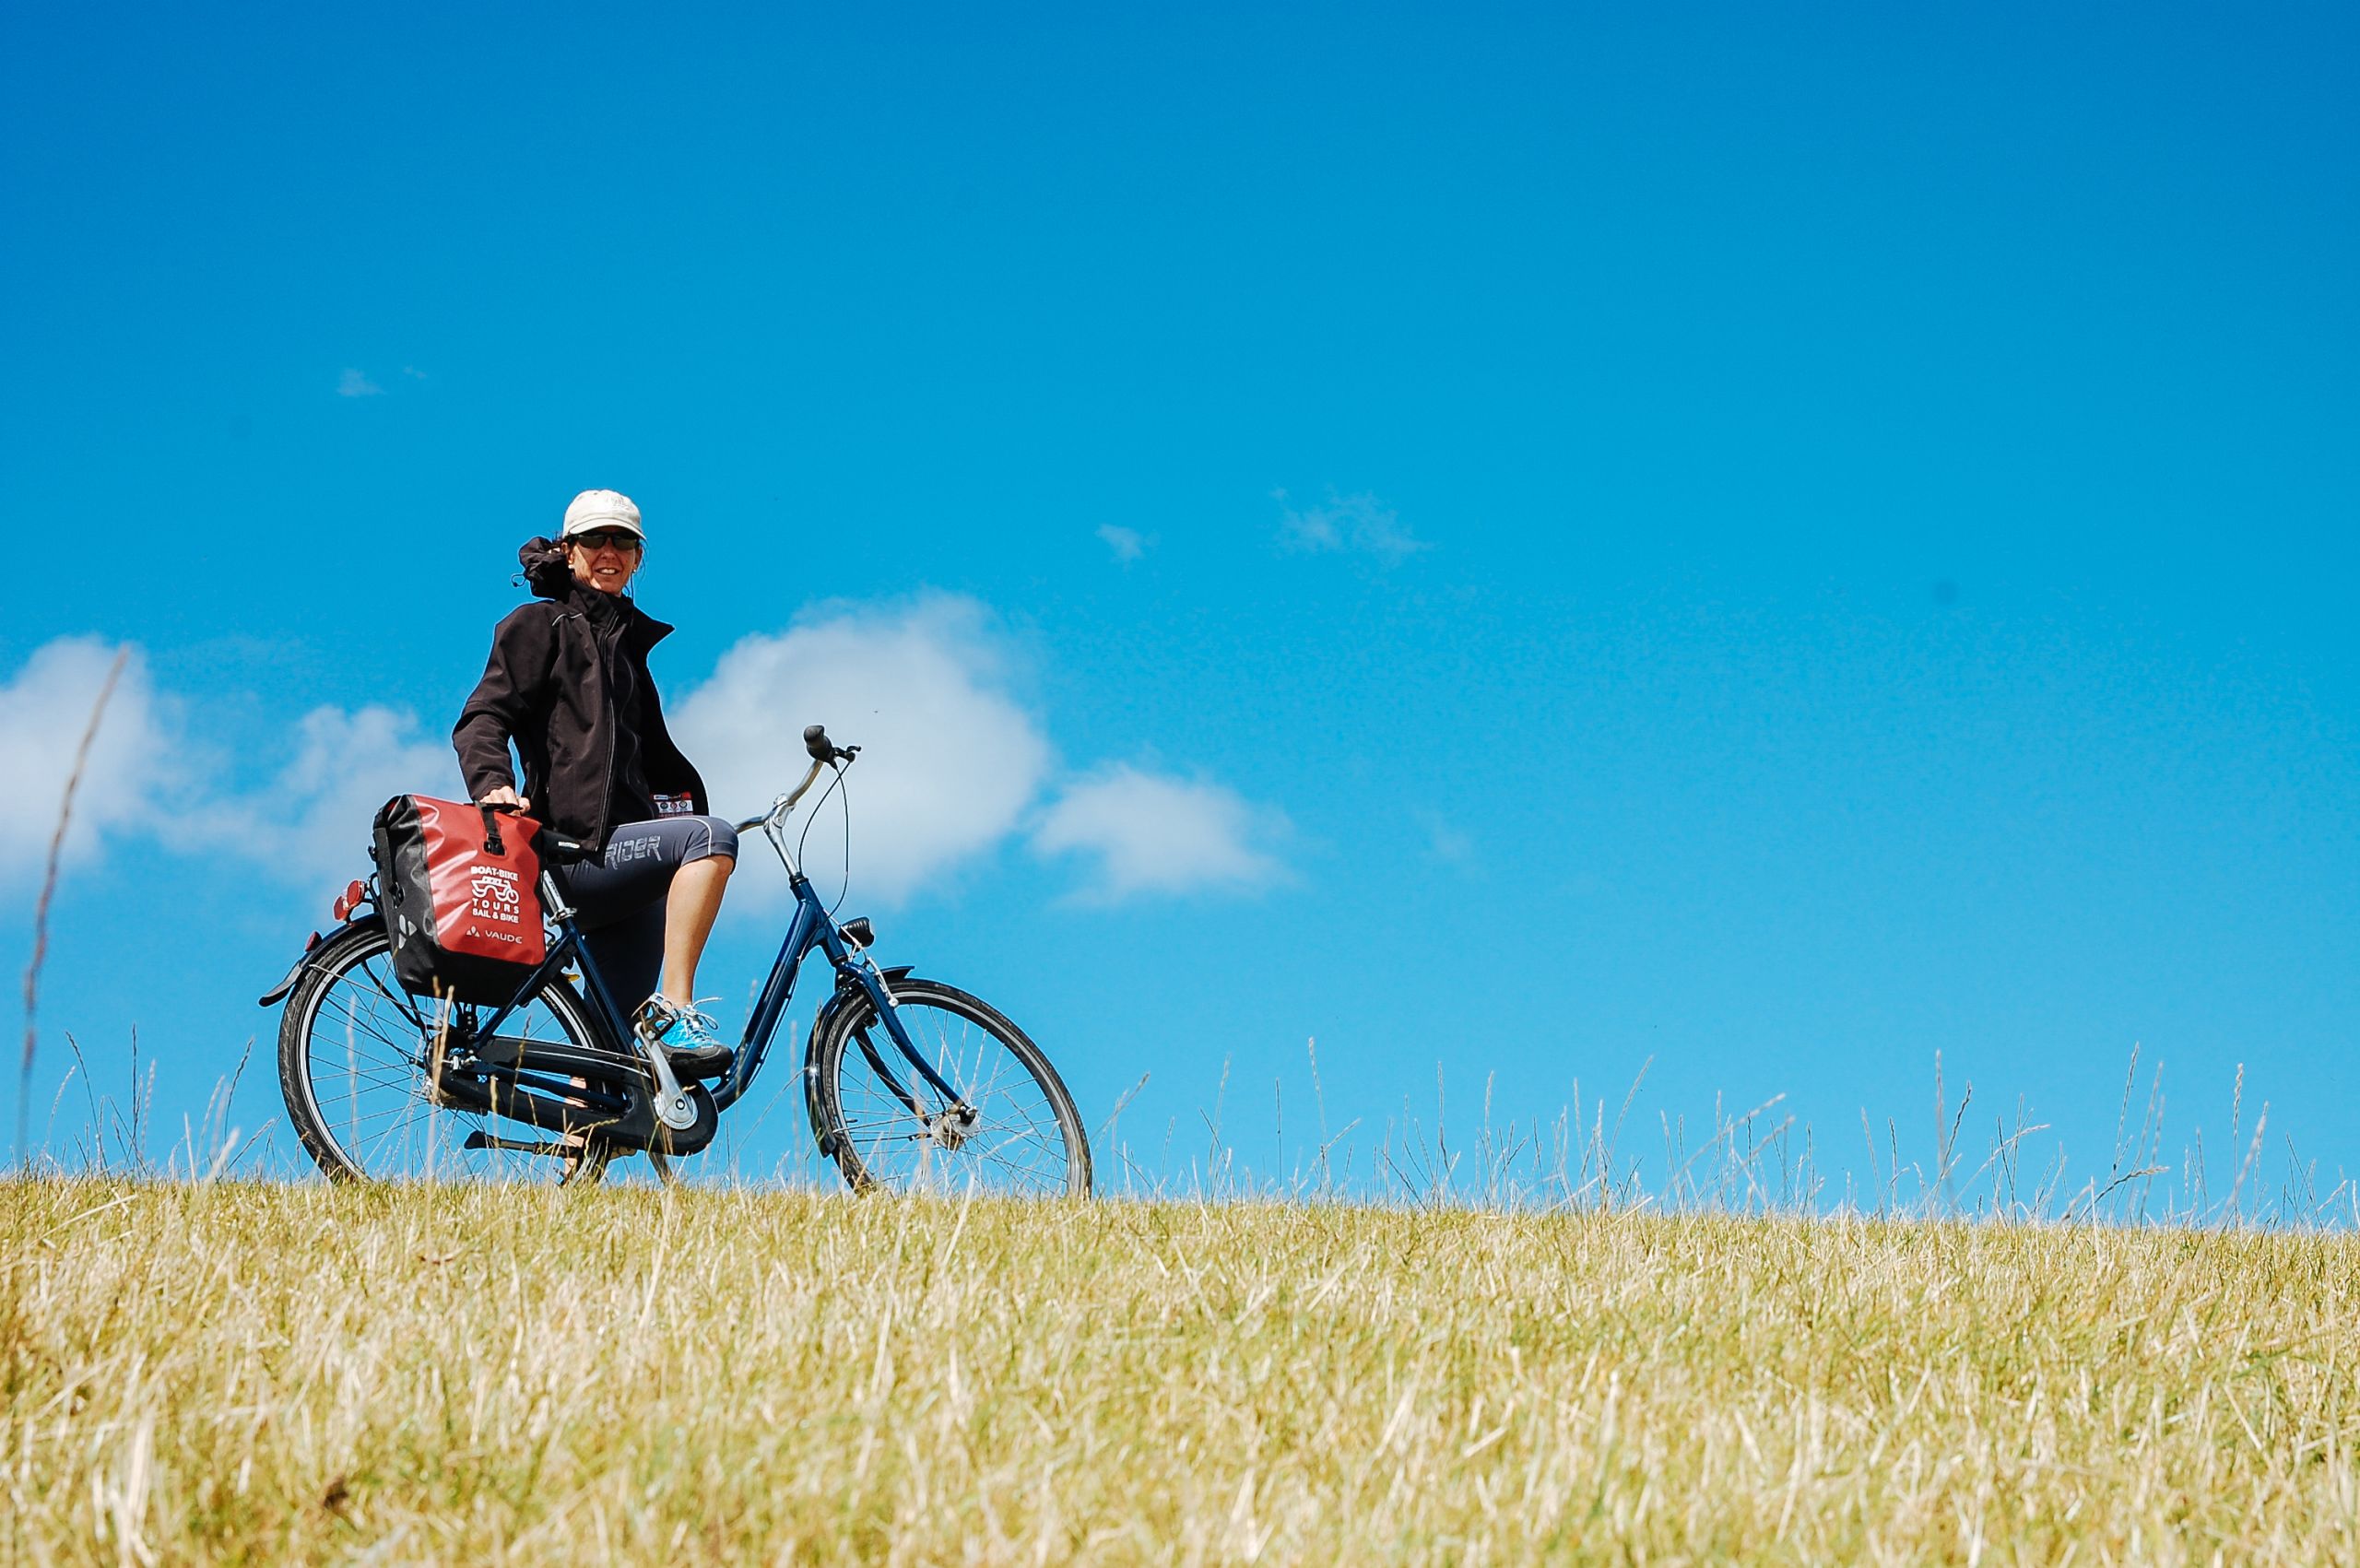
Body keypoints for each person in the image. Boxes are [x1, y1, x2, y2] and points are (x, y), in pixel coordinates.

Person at [453, 489, 737, 1077]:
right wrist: (492, 786)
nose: (609, 551)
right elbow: (483, 717)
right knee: (711, 839)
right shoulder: (539, 625)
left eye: (623, 541)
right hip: (576, 849)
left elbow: (654, 765)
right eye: (594, 540)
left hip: (626, 865)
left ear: (637, 557)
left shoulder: (625, 648)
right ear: (569, 550)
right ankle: (676, 1011)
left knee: (610, 1068)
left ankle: (585, 1150)